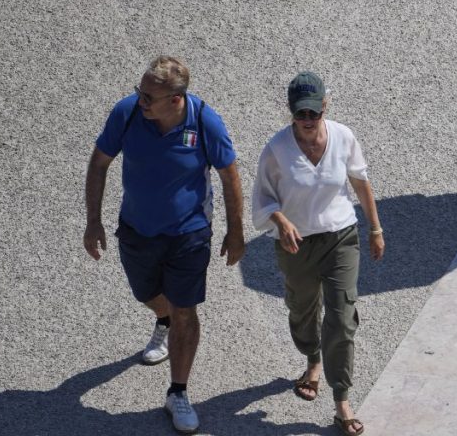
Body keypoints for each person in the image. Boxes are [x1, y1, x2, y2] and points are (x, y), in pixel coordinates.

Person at [83, 56, 245, 434]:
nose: (141, 101)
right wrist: (93, 221)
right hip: (137, 232)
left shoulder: (205, 121)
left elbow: (230, 175)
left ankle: (178, 392)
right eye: (140, 92)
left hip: (189, 235)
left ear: (175, 100)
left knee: (186, 309)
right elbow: (99, 163)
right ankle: (163, 319)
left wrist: (234, 232)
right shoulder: (127, 113)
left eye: (148, 97)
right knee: (148, 294)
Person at [252, 72, 385, 436]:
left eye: (313, 113)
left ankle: (341, 400)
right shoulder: (276, 149)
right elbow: (261, 201)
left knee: (342, 317)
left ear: (326, 106)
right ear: (290, 112)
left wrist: (375, 228)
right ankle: (312, 359)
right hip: (296, 245)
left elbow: (360, 181)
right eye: (300, 115)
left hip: (341, 237)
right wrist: (280, 219)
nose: (308, 121)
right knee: (302, 308)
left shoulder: (343, 137)